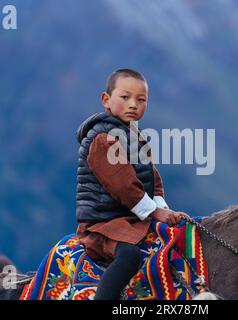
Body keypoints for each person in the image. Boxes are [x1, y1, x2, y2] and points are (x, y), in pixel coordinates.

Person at [75, 68, 188, 300]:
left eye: (141, 99)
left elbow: (152, 179)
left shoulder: (135, 138)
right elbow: (123, 186)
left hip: (131, 218)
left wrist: (163, 208)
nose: (133, 104)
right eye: (125, 97)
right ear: (106, 100)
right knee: (129, 256)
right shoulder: (102, 139)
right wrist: (154, 212)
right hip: (103, 224)